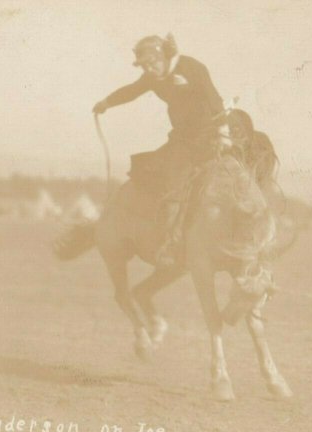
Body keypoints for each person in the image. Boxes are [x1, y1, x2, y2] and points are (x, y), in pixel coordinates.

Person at [92, 33, 232, 266]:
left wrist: (224, 133)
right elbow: (132, 90)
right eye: (144, 65)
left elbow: (213, 97)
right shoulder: (151, 77)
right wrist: (106, 103)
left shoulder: (192, 67)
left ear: (165, 56)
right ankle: (171, 239)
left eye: (152, 62)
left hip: (211, 134)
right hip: (182, 139)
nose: (148, 69)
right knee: (165, 182)